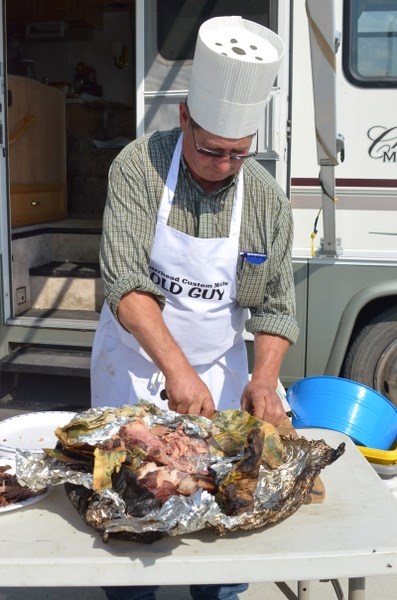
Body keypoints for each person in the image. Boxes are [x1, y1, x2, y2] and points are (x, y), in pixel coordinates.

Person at [91, 15, 299, 600]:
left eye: (237, 154)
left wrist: (263, 380)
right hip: (134, 366)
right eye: (209, 150)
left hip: (218, 372)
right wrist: (175, 368)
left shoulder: (264, 200)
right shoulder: (137, 166)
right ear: (183, 116)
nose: (222, 166)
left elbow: (276, 308)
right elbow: (127, 284)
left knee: (222, 535)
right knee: (134, 525)